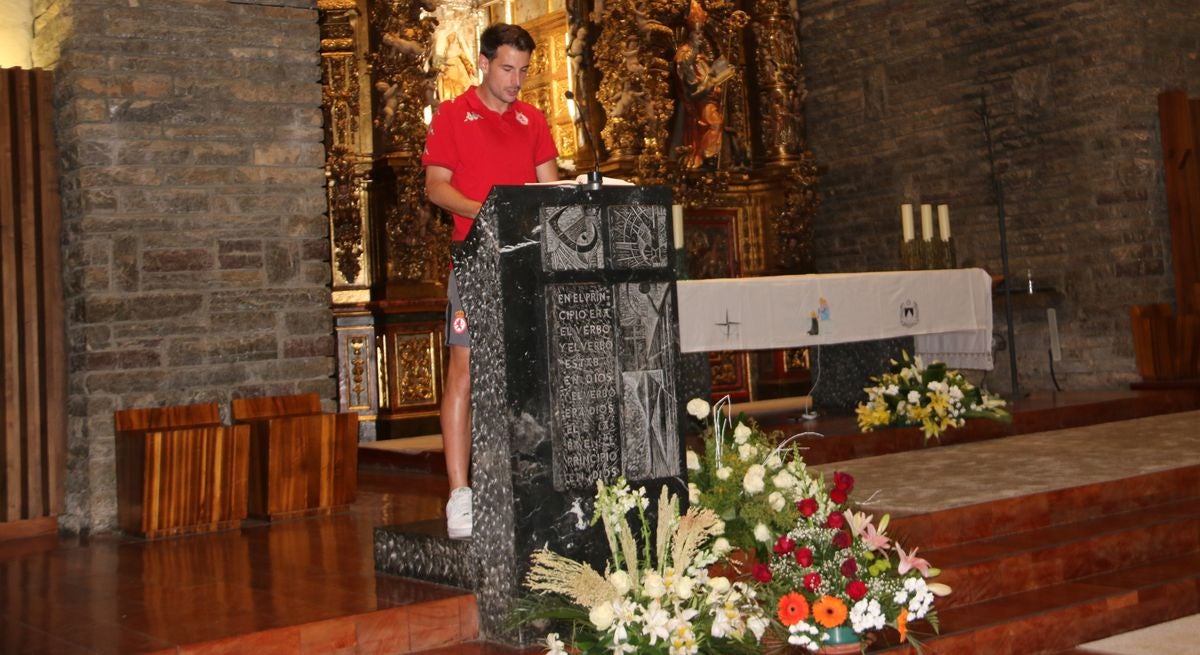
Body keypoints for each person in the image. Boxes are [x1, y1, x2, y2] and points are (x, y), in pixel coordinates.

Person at [422, 23, 560, 539]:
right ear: (482, 63)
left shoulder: (533, 119)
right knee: (465, 369)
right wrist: (491, 213)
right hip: (478, 259)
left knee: (535, 369)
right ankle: (461, 494)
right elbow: (437, 188)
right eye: (507, 69)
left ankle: (533, 479)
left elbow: (552, 190)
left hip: (528, 264)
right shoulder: (453, 117)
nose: (515, 81)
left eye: (523, 71)